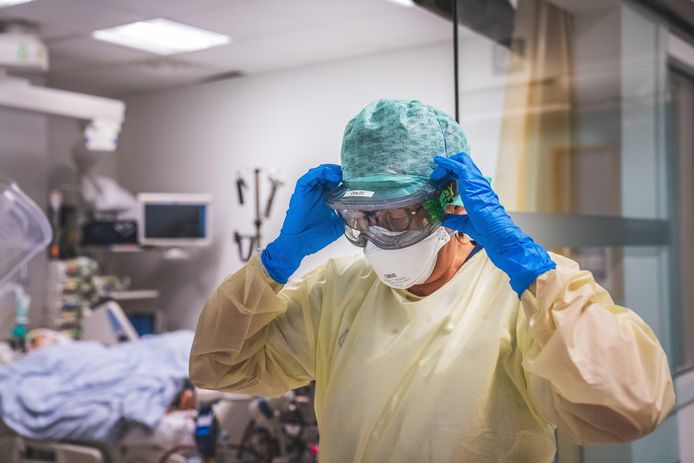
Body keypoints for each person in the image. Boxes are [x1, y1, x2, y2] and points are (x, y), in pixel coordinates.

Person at [190, 99, 675, 462]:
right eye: (363, 215)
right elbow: (219, 367)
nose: (378, 232)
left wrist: (533, 272)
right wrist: (276, 263)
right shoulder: (335, 290)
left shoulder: (529, 295)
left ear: (449, 200)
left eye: (398, 213)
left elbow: (630, 407)